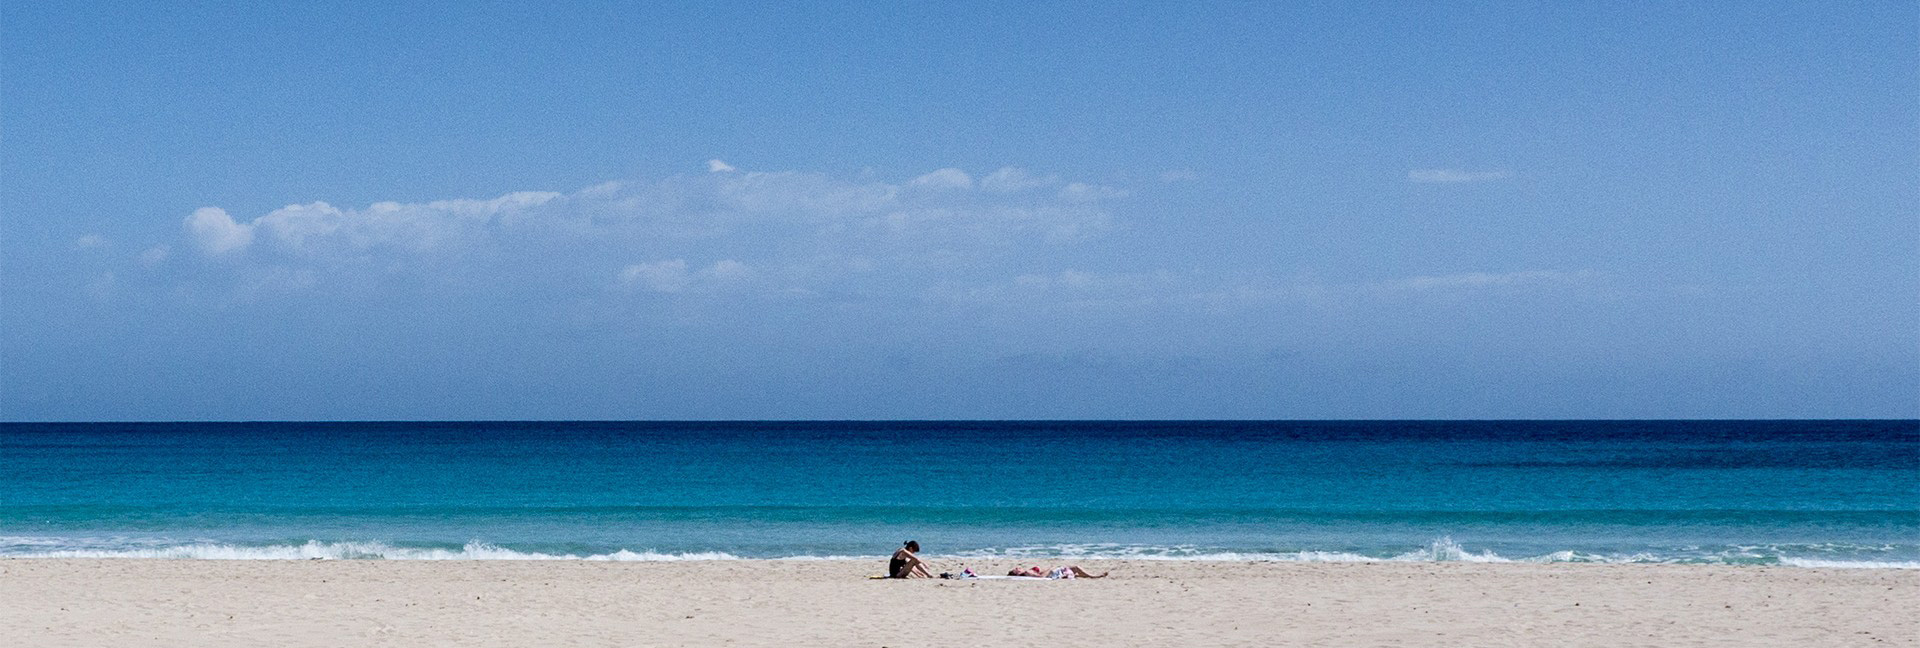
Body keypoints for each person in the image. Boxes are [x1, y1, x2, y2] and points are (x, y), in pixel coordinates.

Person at [1006, 565, 1108, 579]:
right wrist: (1050, 569)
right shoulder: (1027, 572)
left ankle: (1091, 576)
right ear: (1018, 573)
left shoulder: (1028, 572)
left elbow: (1039, 574)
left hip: (1051, 573)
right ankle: (1094, 576)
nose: (1018, 568)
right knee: (1075, 568)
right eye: (1016, 569)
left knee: (1075, 569)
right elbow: (1040, 577)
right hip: (1051, 574)